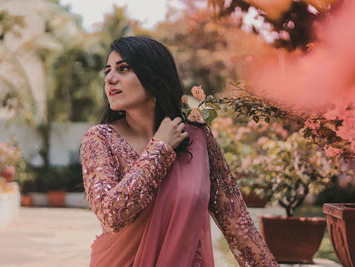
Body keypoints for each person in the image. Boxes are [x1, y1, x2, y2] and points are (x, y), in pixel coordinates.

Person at [81, 36, 279, 267]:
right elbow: (111, 214)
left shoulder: (197, 138)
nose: (110, 79)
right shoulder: (100, 139)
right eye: (108, 71)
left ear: (153, 77)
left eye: (123, 68)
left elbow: (236, 221)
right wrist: (160, 149)